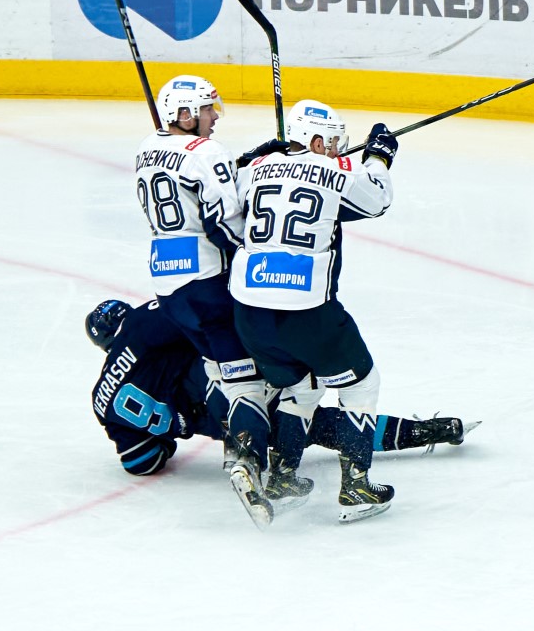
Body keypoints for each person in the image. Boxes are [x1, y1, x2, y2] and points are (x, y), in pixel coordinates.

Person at [228, 98, 402, 527]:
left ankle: (284, 478)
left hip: (248, 312)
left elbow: (228, 194)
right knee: (362, 383)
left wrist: (250, 158)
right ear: (316, 139)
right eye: (335, 143)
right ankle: (356, 487)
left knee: (302, 385)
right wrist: (378, 156)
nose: (340, 151)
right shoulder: (335, 171)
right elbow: (377, 199)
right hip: (305, 311)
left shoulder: (253, 171)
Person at [86, 299, 477, 478]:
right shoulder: (142, 323)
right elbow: (202, 318)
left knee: (314, 426)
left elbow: (141, 462)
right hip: (227, 389)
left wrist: (169, 437)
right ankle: (418, 431)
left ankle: (247, 457)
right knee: (306, 402)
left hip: (212, 421)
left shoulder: (102, 399)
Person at [134, 76, 271, 506]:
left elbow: (184, 182)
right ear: (186, 114)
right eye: (208, 110)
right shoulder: (208, 151)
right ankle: (246, 461)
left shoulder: (143, 151)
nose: (214, 119)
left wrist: (246, 165)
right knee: (249, 378)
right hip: (209, 283)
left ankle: (234, 442)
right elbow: (223, 221)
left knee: (218, 369)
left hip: (169, 286)